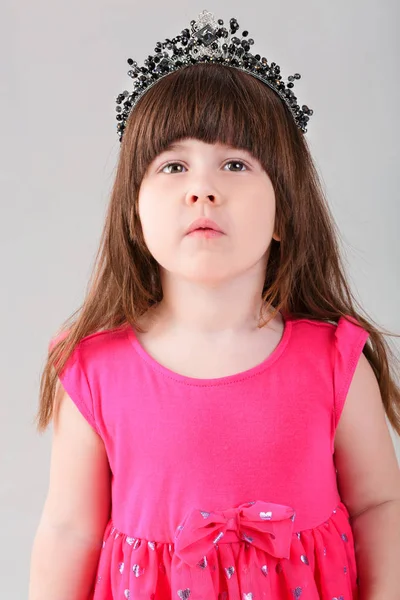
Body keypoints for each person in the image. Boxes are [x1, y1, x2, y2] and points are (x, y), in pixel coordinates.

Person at [29, 10, 400, 600]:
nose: (202, 188)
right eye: (173, 166)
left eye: (235, 164)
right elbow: (70, 530)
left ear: (285, 212)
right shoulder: (96, 370)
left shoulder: (333, 360)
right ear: (134, 213)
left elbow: (380, 504)